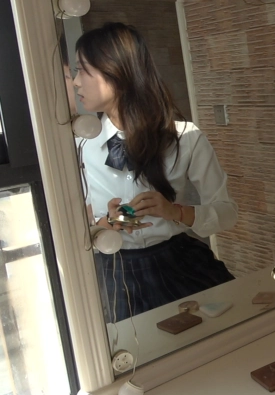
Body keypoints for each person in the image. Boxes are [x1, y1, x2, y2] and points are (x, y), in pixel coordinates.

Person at [74, 22, 237, 322]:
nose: (75, 82)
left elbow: (227, 213)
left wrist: (174, 211)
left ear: (115, 72)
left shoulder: (186, 137)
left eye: (83, 70)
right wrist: (106, 224)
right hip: (114, 276)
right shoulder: (80, 145)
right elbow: (68, 227)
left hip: (181, 266)